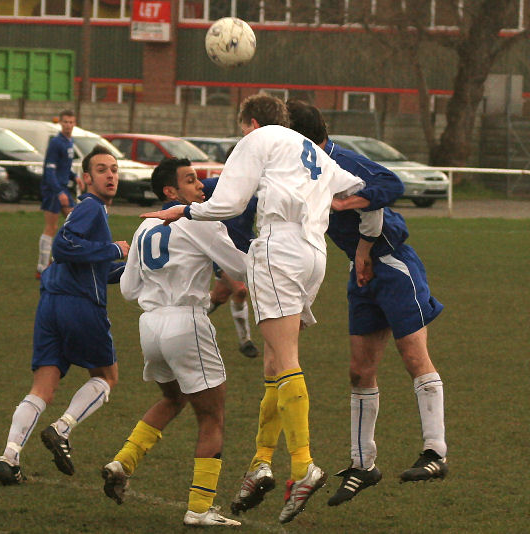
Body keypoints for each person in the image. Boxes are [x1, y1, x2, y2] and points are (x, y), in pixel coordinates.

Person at [141, 94, 367, 524]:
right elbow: (355, 186)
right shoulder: (309, 149)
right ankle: (262, 461)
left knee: (285, 359)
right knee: (273, 363)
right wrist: (331, 203)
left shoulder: (257, 139)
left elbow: (227, 205)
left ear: (250, 122)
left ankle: (303, 466)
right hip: (314, 253)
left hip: (278, 247)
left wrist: (184, 211)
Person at [286, 100, 448, 507]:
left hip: (393, 264)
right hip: (361, 273)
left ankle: (435, 452)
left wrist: (347, 208)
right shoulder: (304, 166)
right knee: (360, 371)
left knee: (413, 356)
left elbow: (387, 189)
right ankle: (363, 463)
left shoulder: (340, 159)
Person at [102, 157, 246, 527]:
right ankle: (199, 508)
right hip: (187, 322)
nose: (201, 187)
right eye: (191, 181)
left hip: (150, 326)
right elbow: (241, 268)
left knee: (172, 398)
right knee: (212, 416)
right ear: (171, 191)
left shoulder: (146, 225)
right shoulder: (198, 219)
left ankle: (123, 461)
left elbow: (130, 288)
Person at [0, 146, 129, 485]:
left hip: (51, 304)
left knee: (43, 387)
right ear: (86, 178)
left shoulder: (86, 210)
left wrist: (131, 268)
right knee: (107, 376)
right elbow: (63, 247)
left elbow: (88, 266)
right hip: (79, 306)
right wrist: (114, 249)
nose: (110, 175)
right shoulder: (92, 207)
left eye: (114, 169)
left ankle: (9, 459)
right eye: (101, 169)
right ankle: (62, 429)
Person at [201, 172, 259, 359]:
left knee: (219, 297)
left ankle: (188, 319)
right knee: (240, 291)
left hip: (247, 251)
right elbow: (190, 193)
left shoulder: (254, 190)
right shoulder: (212, 186)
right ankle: (245, 341)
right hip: (221, 252)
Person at [36, 110, 79, 278]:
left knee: (74, 223)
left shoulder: (69, 141)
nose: (68, 125)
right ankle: (41, 267)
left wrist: (75, 178)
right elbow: (50, 170)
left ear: (75, 123)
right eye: (65, 122)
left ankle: (60, 260)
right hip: (53, 190)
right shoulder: (56, 142)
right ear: (60, 123)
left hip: (63, 189)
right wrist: (58, 191)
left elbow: (64, 168)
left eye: (71, 122)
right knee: (51, 227)